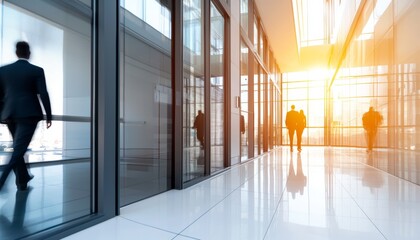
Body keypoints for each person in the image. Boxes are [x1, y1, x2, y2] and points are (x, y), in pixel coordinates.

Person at [0, 41, 52, 191]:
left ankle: (22, 179)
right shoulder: (36, 70)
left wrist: (2, 114)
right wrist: (48, 114)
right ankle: (2, 180)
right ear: (28, 53)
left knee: (19, 147)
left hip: (9, 115)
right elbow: (43, 93)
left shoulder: (3, 70)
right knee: (18, 149)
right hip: (29, 114)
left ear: (16, 53)